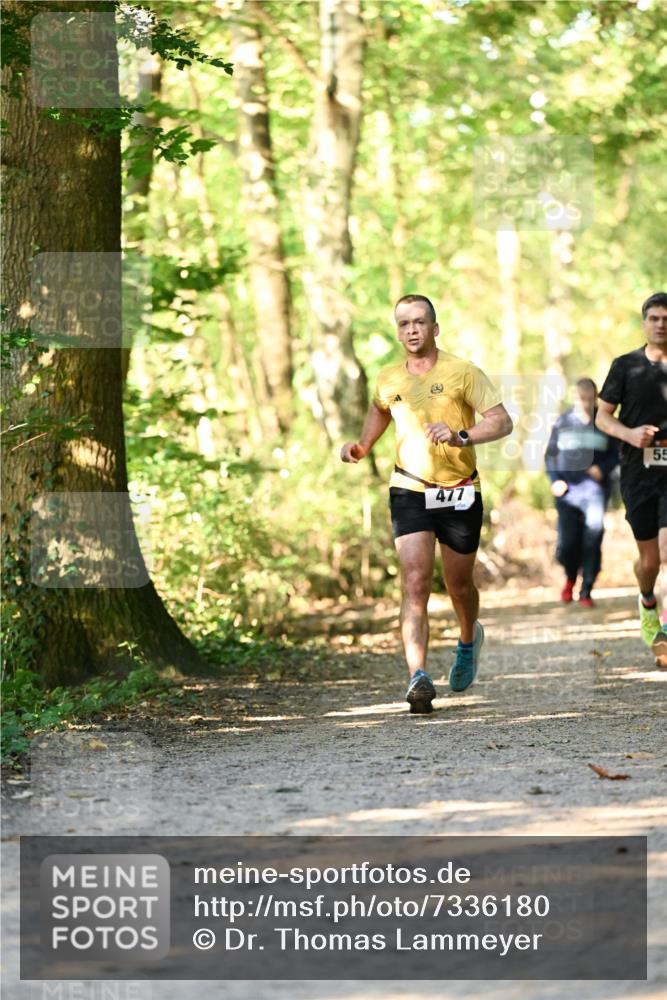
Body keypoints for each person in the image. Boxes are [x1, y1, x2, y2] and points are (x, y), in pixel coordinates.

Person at [340, 295, 513, 713]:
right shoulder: (388, 377)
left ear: (435, 328)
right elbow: (381, 409)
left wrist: (461, 436)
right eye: (404, 324)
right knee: (415, 582)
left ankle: (468, 639)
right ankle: (418, 676)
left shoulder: (463, 372)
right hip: (409, 487)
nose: (412, 330)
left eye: (419, 322)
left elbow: (502, 421)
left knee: (459, 586)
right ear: (397, 331)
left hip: (459, 488)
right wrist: (364, 445)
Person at [596, 292, 667, 668]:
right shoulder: (625, 366)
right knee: (650, 560)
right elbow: (602, 417)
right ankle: (646, 599)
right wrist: (629, 434)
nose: (660, 325)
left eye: (666, 319)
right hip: (638, 471)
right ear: (644, 323)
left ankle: (666, 635)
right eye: (654, 318)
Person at [545, 378, 618, 607]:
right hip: (567, 492)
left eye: (589, 399)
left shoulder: (604, 422)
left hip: (594, 491)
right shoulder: (563, 421)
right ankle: (569, 579)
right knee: (568, 542)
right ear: (574, 397)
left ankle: (586, 590)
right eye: (580, 399)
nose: (584, 403)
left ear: (595, 398)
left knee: (592, 538)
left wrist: (602, 469)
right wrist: (555, 480)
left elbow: (617, 455)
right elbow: (550, 455)